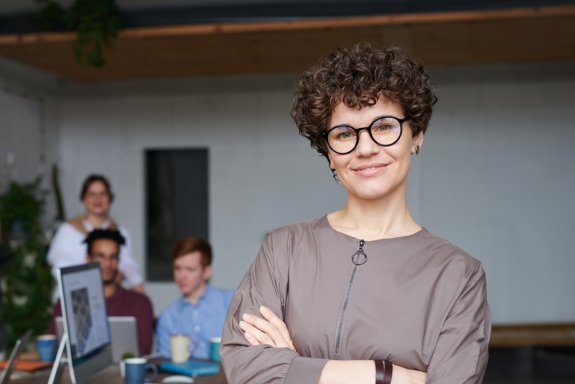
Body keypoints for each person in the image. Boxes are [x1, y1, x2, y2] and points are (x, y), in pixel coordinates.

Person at [221, 44, 491, 384]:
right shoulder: (284, 249)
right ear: (329, 153)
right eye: (345, 134)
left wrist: (292, 367)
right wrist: (387, 376)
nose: (365, 148)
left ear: (416, 135)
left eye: (384, 127)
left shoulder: (458, 275)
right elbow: (246, 369)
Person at [49, 229, 154, 356]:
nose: (107, 264)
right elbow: (54, 350)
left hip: (122, 373)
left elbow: (143, 352)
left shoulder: (139, 303)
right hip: (80, 373)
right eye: (101, 256)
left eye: (113, 257)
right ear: (88, 259)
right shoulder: (66, 302)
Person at [47, 174, 144, 293]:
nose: (97, 199)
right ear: (84, 199)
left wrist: (137, 286)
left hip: (108, 297)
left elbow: (128, 266)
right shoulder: (68, 230)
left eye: (102, 194)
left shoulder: (119, 232)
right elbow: (59, 267)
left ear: (110, 198)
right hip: (73, 294)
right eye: (91, 194)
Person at [155, 236, 234, 360]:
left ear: (206, 271)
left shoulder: (230, 301)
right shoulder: (168, 316)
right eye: (177, 268)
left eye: (190, 269)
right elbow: (164, 362)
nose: (182, 276)